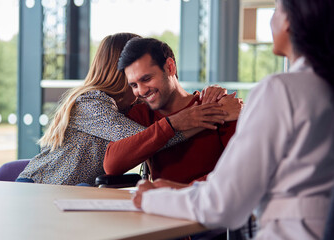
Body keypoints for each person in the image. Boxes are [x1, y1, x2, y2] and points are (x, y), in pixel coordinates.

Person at [132, 0, 334, 239]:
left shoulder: (281, 90)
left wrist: (154, 199)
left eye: (276, 10)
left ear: (288, 20)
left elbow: (223, 204)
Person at [16, 33, 229, 185]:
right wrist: (199, 118)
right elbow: (145, 140)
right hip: (42, 186)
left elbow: (171, 98)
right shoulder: (92, 102)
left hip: (75, 192)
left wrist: (209, 98)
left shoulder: (131, 106)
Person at [104, 37, 243, 185]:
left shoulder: (218, 106)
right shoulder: (141, 114)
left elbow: (243, 168)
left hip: (212, 203)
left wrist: (180, 191)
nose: (141, 91)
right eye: (134, 85)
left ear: (170, 67)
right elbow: (112, 165)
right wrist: (172, 124)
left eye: (147, 79)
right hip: (163, 205)